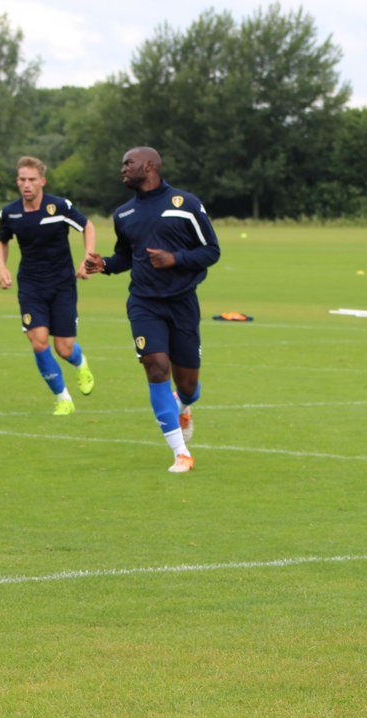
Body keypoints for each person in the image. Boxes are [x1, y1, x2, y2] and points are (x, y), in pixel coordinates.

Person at [82, 147, 220, 473]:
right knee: (156, 368)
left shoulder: (186, 204)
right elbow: (126, 257)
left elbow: (211, 251)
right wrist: (105, 265)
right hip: (144, 303)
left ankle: (183, 406)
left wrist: (175, 259)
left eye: (127, 163)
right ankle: (181, 453)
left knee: (188, 387)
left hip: (182, 303)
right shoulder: (123, 214)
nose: (122, 169)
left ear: (148, 166)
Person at [0, 156, 96, 415]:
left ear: (42, 181)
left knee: (64, 348)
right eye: (22, 179)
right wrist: (2, 267)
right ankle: (63, 399)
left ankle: (80, 363)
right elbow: (2, 240)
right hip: (31, 285)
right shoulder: (10, 213)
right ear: (17, 181)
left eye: (31, 179)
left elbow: (87, 226)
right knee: (39, 342)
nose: (26, 184)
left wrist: (88, 258)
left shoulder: (59, 206)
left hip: (62, 284)